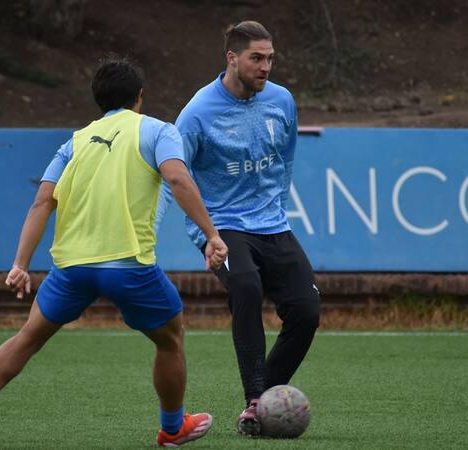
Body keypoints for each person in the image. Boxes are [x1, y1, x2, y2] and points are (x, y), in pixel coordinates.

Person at [0, 57, 227, 449]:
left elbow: (42, 202)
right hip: (129, 265)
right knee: (171, 339)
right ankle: (171, 428)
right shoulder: (157, 131)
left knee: (27, 337)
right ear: (139, 97)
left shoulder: (74, 142)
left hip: (72, 266)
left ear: (99, 100)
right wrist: (211, 234)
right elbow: (178, 178)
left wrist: (20, 264)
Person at [170, 20, 320, 436]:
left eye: (270, 58)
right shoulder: (197, 113)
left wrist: (276, 208)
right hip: (224, 226)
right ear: (231, 59)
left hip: (272, 223)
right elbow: (176, 173)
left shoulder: (282, 100)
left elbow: (285, 158)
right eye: (256, 58)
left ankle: (263, 401)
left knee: (307, 312)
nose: (266, 66)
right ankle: (256, 398)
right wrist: (205, 235)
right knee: (247, 288)